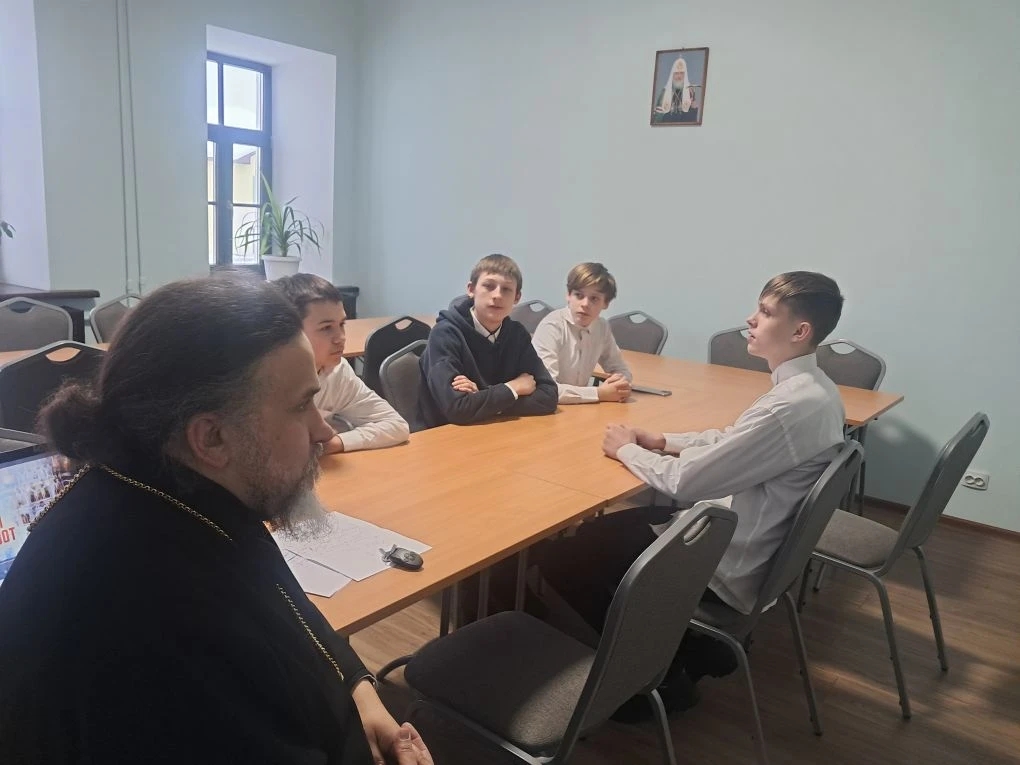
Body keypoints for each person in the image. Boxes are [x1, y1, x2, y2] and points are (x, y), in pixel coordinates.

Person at [0, 275, 432, 765]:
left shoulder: (179, 489)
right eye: (302, 405)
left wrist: (361, 692)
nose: (322, 429)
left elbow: (289, 606)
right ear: (211, 438)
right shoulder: (158, 616)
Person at [533, 271, 847, 719]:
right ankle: (689, 647)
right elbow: (733, 439)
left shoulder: (789, 405)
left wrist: (625, 449)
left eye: (765, 312)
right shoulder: (815, 391)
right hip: (745, 543)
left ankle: (652, 677)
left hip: (725, 562)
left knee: (563, 558)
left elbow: (687, 483)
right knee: (598, 535)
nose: (750, 319)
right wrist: (663, 441)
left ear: (800, 332)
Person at [417, 253, 558, 428]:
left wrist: (484, 398)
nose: (497, 295)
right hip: (445, 434)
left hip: (497, 429)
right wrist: (513, 388)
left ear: (517, 297)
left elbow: (549, 397)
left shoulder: (517, 334)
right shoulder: (445, 334)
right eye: (489, 286)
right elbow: (457, 408)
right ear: (471, 289)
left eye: (506, 289)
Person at [275, 273, 410, 453]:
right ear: (289, 333)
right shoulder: (262, 382)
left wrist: (334, 443)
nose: (341, 338)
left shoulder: (337, 372)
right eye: (326, 328)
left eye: (342, 324)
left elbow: (396, 425)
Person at [532, 262, 632, 404]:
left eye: (594, 298)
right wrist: (599, 393)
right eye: (579, 295)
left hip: (581, 407)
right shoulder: (552, 326)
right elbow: (545, 389)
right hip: (547, 408)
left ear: (605, 303)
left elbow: (619, 368)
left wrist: (621, 383)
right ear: (568, 295)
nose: (585, 304)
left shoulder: (601, 326)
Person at [652, 55, 698, 124]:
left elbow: (693, 115)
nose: (679, 76)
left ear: (685, 75)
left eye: (681, 73)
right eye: (676, 73)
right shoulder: (665, 92)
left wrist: (693, 105)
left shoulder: (690, 91)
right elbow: (658, 114)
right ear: (672, 75)